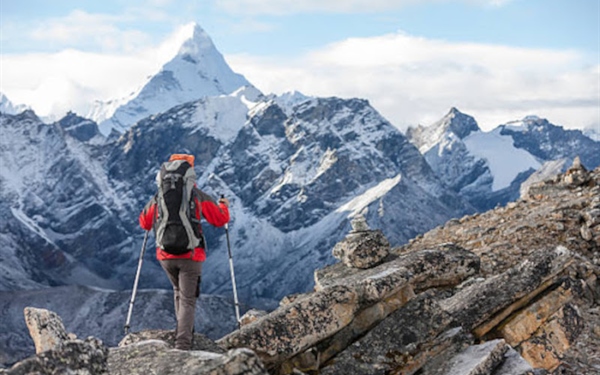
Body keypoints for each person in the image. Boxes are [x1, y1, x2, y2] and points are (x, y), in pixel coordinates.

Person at [139, 154, 230, 350]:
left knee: (178, 293)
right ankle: (183, 344)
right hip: (190, 255)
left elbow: (144, 222)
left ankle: (183, 332)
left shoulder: (158, 197)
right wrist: (224, 206)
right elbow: (220, 219)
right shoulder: (197, 196)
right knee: (188, 299)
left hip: (165, 256)